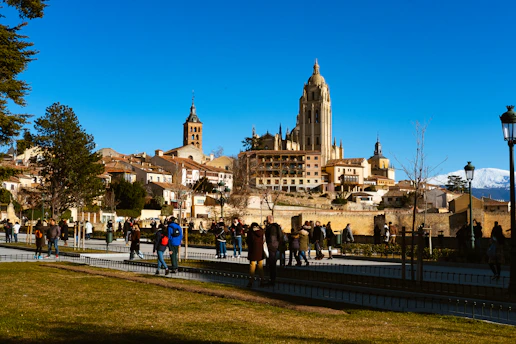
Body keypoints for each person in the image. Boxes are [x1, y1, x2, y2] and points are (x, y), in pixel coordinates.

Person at [265, 215, 283, 286]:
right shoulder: (276, 227)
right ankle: (272, 279)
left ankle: (272, 280)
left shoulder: (272, 228)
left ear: (269, 219)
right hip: (275, 246)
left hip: (272, 246)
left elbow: (271, 237)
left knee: (272, 264)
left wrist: (269, 245)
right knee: (272, 264)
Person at [246, 222, 265, 288]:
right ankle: (262, 280)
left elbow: (248, 241)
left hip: (252, 251)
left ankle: (251, 281)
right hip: (260, 251)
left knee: (252, 267)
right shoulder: (261, 232)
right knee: (260, 267)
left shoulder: (250, 232)